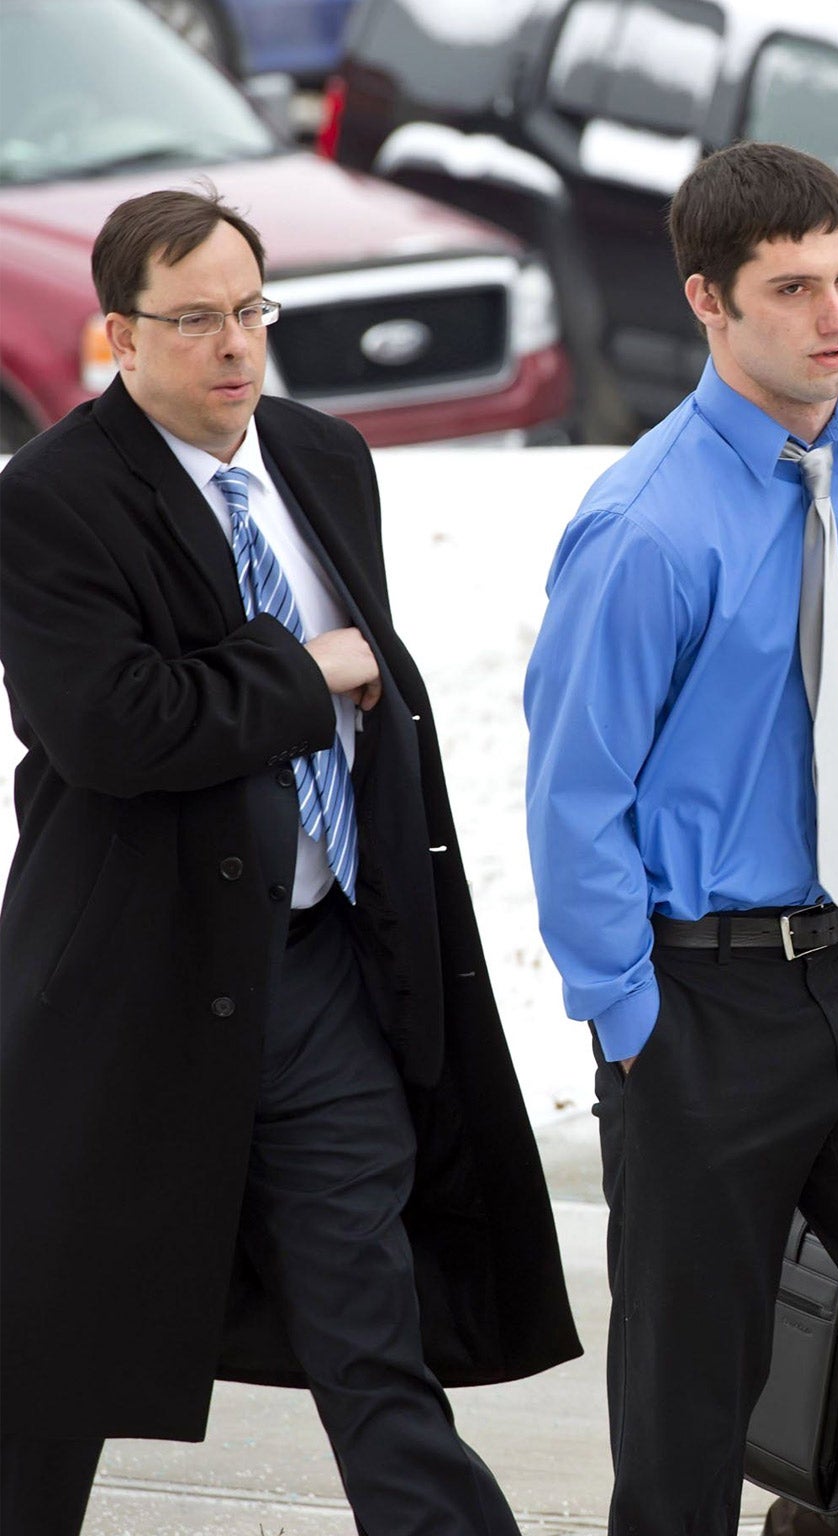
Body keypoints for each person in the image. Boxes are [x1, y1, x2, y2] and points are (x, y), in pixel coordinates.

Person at [0, 186, 578, 1534]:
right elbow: (114, 726)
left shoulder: (323, 457)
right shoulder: (54, 500)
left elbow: (373, 697)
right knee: (53, 1373)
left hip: (318, 976)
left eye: (250, 310)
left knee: (372, 1334)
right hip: (128, 996)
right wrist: (301, 671)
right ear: (121, 337)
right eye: (194, 319)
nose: (234, 346)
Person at [523, 141, 838, 1536]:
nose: (836, 317)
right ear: (709, 301)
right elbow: (575, 797)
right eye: (794, 287)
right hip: (702, 1006)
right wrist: (629, 1019)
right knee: (689, 1420)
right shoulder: (643, 529)